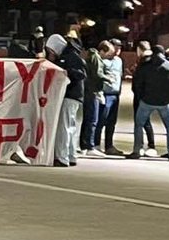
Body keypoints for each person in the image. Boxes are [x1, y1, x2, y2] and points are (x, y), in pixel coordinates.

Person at [126, 42, 169, 160]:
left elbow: (138, 83)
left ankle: (137, 150)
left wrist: (141, 96)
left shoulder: (145, 66)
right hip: (165, 102)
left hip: (147, 101)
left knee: (139, 124)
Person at [45, 33, 86, 167]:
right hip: (74, 95)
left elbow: (81, 74)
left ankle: (62, 157)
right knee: (70, 127)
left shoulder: (69, 57)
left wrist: (66, 71)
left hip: (70, 95)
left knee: (64, 127)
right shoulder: (70, 54)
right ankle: (71, 155)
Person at [94, 39, 125, 155]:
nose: (118, 50)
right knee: (101, 120)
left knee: (111, 122)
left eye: (120, 47)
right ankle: (96, 144)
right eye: (116, 47)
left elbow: (120, 76)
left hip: (115, 94)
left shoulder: (119, 61)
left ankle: (109, 145)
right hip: (105, 94)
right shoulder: (102, 60)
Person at [80, 42, 112, 155]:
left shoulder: (92, 56)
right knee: (93, 119)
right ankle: (90, 146)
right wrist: (108, 78)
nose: (108, 57)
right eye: (108, 54)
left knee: (88, 119)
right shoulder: (96, 58)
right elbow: (97, 74)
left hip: (89, 91)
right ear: (103, 50)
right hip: (92, 91)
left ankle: (84, 145)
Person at [130, 41, 158, 156]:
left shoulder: (144, 61)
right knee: (144, 122)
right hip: (142, 94)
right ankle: (147, 145)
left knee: (142, 122)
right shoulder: (148, 60)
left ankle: (145, 146)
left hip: (141, 96)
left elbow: (142, 79)